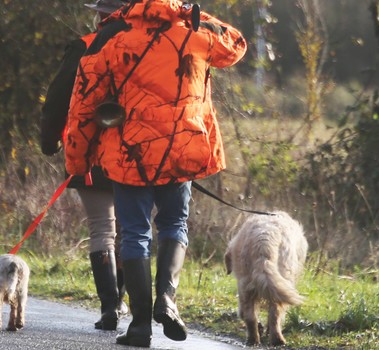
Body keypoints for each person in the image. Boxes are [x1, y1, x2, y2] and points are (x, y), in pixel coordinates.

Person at [64, 0, 247, 347]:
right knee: (174, 225)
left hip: (130, 153)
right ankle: (168, 299)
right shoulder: (194, 33)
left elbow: (83, 104)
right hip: (181, 148)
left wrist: (78, 159)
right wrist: (193, 13)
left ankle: (140, 327)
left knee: (134, 234)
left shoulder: (112, 39)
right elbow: (236, 44)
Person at [40, 0, 130, 331]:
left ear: (100, 16)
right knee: (128, 231)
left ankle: (110, 308)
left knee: (102, 228)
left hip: (90, 153)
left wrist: (49, 140)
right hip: (136, 155)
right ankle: (122, 303)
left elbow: (58, 99)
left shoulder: (84, 47)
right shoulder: (146, 50)